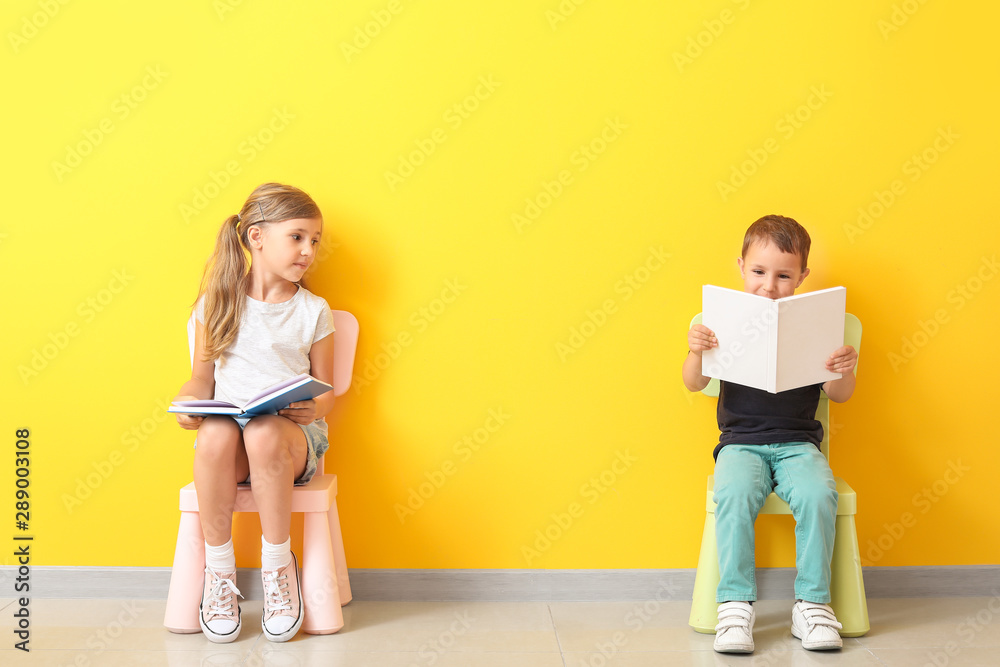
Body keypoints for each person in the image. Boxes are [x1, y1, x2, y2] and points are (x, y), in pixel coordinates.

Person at [682, 215, 858, 654]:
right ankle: (735, 605)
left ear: (802, 276)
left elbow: (838, 396)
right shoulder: (723, 322)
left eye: (783, 275)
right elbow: (693, 383)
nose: (769, 285)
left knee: (820, 494)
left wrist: (844, 369)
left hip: (798, 444)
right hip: (740, 444)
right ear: (741, 266)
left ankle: (812, 605)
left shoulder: (814, 323)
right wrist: (695, 351)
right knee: (735, 494)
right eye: (759, 272)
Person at [173, 183, 336, 643]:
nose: (309, 250)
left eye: (315, 241)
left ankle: (278, 566)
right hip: (231, 439)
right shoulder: (217, 303)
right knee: (216, 435)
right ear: (257, 237)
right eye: (298, 237)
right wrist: (189, 402)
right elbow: (200, 380)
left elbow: (328, 392)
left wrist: (313, 405)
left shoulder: (313, 311)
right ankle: (219, 573)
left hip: (291, 442)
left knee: (264, 431)